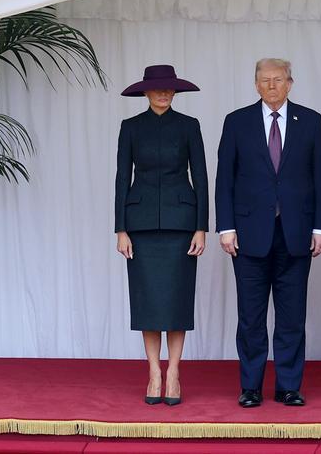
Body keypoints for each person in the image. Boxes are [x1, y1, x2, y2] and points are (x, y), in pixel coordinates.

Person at [215, 58, 321, 408]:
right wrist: (226, 227)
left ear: (290, 83)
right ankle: (251, 386)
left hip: (295, 232)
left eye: (278, 80)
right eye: (264, 80)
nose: (271, 86)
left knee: (292, 316)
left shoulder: (310, 121)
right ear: (255, 84)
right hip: (249, 234)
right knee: (250, 316)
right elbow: (225, 179)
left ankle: (288, 386)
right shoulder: (237, 122)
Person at [114, 65, 208, 406]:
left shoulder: (189, 126)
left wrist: (201, 226)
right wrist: (120, 228)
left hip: (181, 225)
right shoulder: (130, 128)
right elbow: (122, 177)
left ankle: (174, 372)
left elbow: (201, 175)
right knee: (148, 303)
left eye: (169, 89)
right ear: (145, 92)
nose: (164, 94)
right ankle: (154, 372)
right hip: (140, 227)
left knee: (176, 301)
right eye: (157, 90)